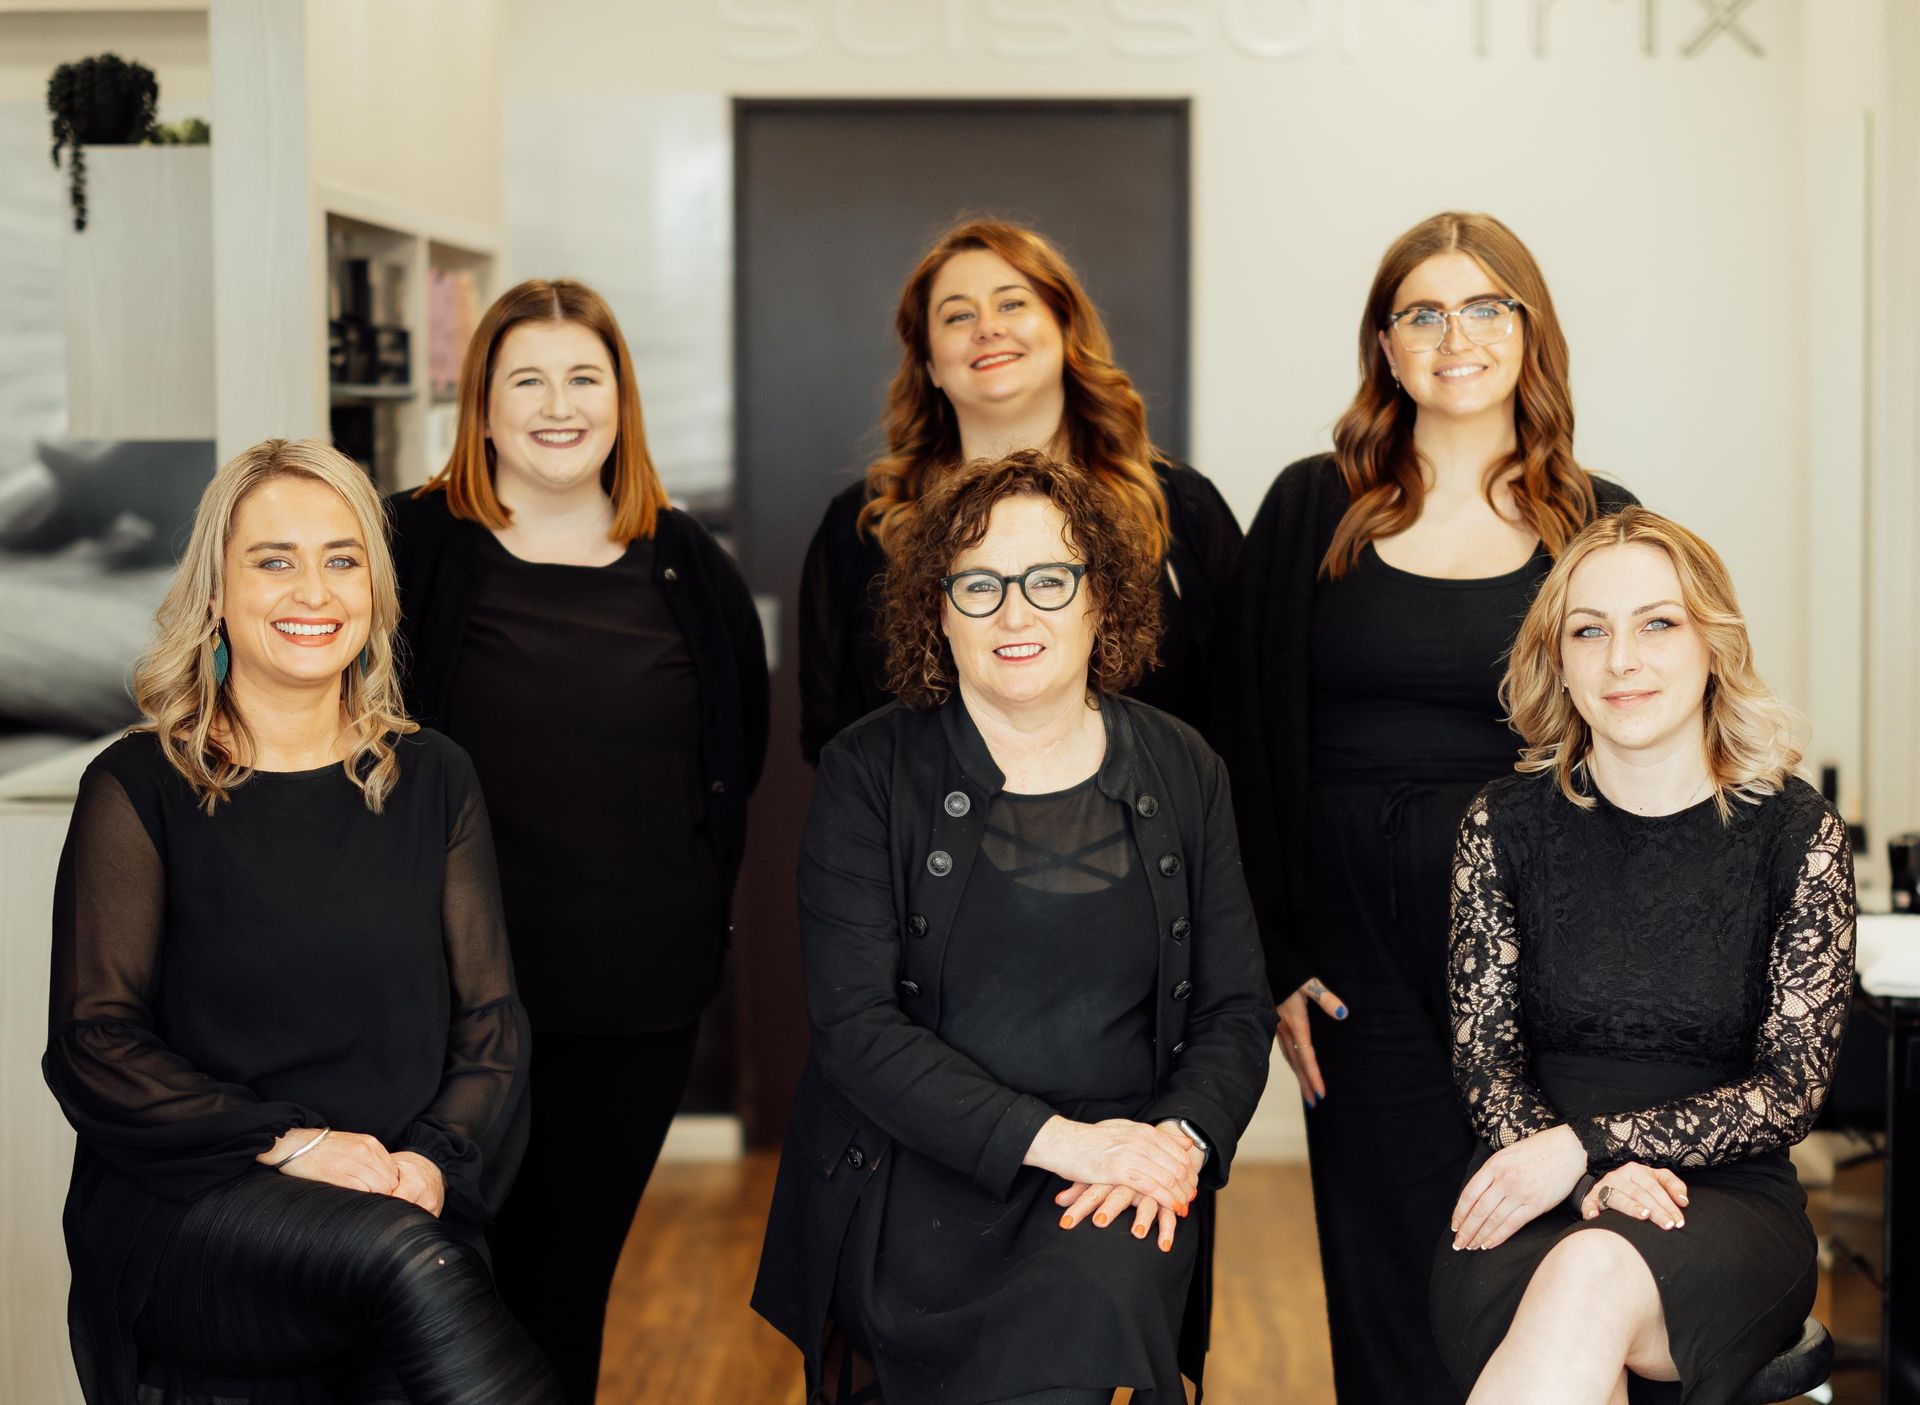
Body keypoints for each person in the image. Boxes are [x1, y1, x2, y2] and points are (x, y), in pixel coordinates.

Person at [1214, 211, 1639, 1403]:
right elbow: (1242, 738)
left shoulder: (1596, 519)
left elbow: (1651, 731)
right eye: (1424, 311)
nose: (1457, 335)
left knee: (1533, 1235)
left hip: (1543, 941)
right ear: (1387, 347)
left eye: (1486, 306)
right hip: (1350, 941)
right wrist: (1277, 956)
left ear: (1529, 329)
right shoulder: (1311, 506)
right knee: (1387, 1248)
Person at [42, 438, 558, 1405]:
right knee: (410, 1265)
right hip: (204, 1210)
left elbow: (491, 1027)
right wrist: (298, 1144)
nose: (312, 591)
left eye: (342, 558)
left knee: (408, 1258)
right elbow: (93, 1043)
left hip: (395, 1197)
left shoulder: (434, 775)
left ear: (374, 590)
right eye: (274, 560)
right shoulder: (138, 787)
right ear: (216, 593)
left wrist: (432, 1164)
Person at [754, 450, 1275, 1404]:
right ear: (937, 608)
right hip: (918, 1173)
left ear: (1100, 597)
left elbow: (1237, 1009)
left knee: (1082, 1321)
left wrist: (1175, 1143)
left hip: (1119, 1179)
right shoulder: (866, 772)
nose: (1014, 613)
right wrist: (1070, 1142)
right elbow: (858, 1029)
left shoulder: (1184, 766)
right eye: (979, 585)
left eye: (1048, 578)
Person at [389, 277, 769, 1402]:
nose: (559, 405)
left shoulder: (688, 565)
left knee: (567, 1280)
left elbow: (730, 756)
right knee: (436, 1271)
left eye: (584, 378)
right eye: (528, 380)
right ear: (484, 406)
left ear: (621, 400)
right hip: (439, 1000)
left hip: (633, 1000)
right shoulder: (411, 545)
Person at [1433, 506, 1854, 1404]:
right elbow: (1484, 1057)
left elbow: (1791, 1091)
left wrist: (1587, 1149)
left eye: (1658, 623)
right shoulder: (1500, 827)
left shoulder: (1797, 833)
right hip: (1527, 1191)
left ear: (1713, 643)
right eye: (1591, 630)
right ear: (1561, 659)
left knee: (1591, 1279)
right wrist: (1578, 1172)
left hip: (1725, 1205)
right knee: (1578, 1278)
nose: (1622, 659)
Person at [798, 217, 1242, 762]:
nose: (987, 328)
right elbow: (831, 736)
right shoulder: (861, 526)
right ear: (931, 364)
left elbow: (1242, 717)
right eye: (958, 315)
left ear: (1064, 329)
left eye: (1012, 304)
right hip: (921, 844)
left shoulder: (1179, 507)